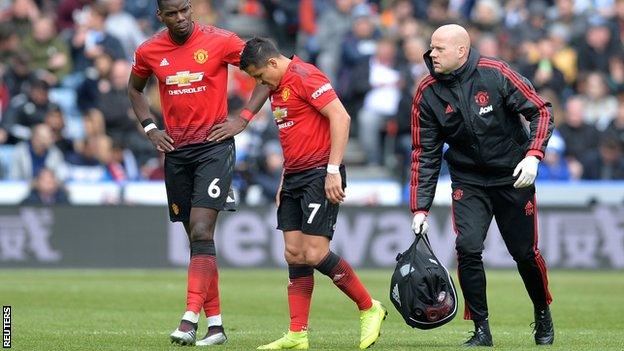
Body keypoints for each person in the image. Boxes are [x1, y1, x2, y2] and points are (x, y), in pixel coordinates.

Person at [127, 0, 269, 346]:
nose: (180, 19)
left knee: (202, 230)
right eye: (172, 14)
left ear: (191, 8)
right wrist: (149, 128)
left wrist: (243, 118)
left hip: (214, 148)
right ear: (161, 16)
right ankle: (216, 326)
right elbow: (134, 88)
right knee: (198, 241)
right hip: (176, 152)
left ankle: (189, 319)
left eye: (184, 10)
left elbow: (267, 72)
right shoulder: (149, 50)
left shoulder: (221, 40)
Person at [410, 24, 555, 347]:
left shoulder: (497, 73)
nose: (431, 54)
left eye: (439, 49)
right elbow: (425, 153)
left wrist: (533, 155)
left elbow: (542, 111)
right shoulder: (427, 92)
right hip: (469, 180)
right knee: (468, 249)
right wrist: (420, 206)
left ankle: (542, 311)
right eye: (431, 48)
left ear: (462, 50)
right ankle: (481, 329)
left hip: (513, 176)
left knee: (524, 254)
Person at [239, 37, 387, 350]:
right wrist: (283, 179)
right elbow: (295, 136)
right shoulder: (277, 87)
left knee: (316, 253)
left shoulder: (306, 76)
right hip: (293, 176)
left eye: (258, 75)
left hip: (320, 174)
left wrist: (333, 170)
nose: (258, 82)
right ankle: (297, 334)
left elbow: (341, 117)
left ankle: (369, 307)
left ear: (273, 63)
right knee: (293, 253)